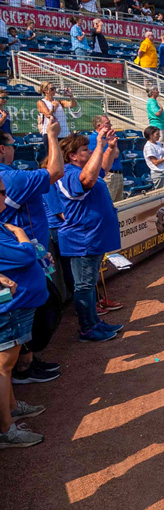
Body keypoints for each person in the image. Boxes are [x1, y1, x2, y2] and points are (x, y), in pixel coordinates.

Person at [0, 123, 64, 385]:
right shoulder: (10, 177)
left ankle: (24, 363)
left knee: (40, 308)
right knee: (40, 310)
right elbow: (56, 171)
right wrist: (52, 136)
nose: (15, 149)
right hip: (19, 254)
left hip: (18, 253)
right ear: (2, 149)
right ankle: (22, 368)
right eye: (12, 144)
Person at [56, 130, 123, 342]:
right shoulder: (68, 173)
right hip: (81, 238)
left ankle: (94, 322)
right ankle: (87, 328)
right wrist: (100, 146)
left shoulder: (82, 169)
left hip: (92, 237)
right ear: (73, 155)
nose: (90, 151)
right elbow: (86, 180)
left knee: (89, 283)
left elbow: (101, 169)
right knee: (84, 285)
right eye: (85, 149)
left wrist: (110, 148)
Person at [0, 218, 50, 448]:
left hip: (16, 305)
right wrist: (20, 231)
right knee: (3, 367)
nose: (5, 199)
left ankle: (11, 409)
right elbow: (25, 256)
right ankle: (6, 431)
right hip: (10, 308)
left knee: (6, 366)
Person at [88, 115, 124, 204]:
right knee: (109, 203)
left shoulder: (107, 138)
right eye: (107, 123)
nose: (110, 125)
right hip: (108, 175)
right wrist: (112, 145)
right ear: (99, 125)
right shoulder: (94, 139)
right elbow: (114, 154)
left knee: (120, 205)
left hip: (117, 174)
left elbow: (116, 153)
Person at [36, 82, 77, 151]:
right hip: (51, 133)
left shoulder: (59, 102)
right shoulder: (41, 102)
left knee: (65, 154)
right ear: (45, 90)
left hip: (64, 133)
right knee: (53, 155)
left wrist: (71, 96)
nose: (54, 90)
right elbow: (48, 115)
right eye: (52, 88)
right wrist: (54, 107)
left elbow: (73, 105)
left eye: (55, 88)